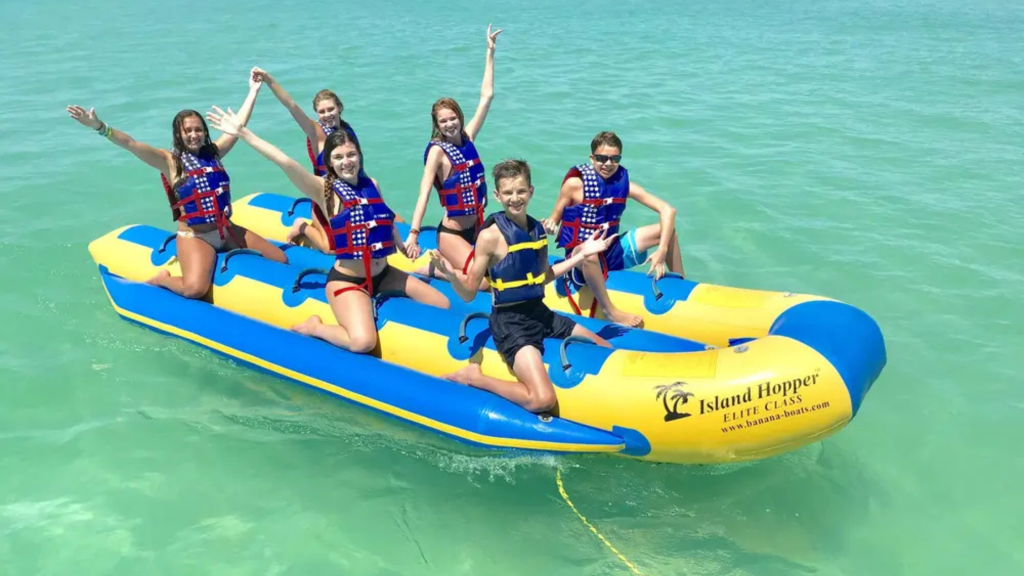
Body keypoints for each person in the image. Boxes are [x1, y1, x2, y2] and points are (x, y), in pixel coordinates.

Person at [205, 106, 450, 354]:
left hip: (384, 274)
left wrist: (401, 245)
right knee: (362, 342)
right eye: (339, 157)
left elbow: (383, 219)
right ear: (329, 162)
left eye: (351, 155)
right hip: (349, 281)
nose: (347, 162)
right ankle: (316, 327)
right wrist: (244, 133)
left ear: (360, 155)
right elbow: (285, 162)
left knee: (442, 303)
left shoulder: (371, 184)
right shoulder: (325, 191)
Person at [66, 69, 288, 300]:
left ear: (205, 132)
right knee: (195, 289)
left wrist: (253, 91)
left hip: (226, 229)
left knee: (280, 259)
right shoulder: (169, 161)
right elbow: (131, 143)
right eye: (188, 131)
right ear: (178, 134)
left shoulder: (214, 153)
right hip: (196, 237)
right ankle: (163, 279)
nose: (194, 135)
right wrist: (99, 127)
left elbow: (238, 125)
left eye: (198, 130)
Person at [429, 159, 613, 414]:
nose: (515, 198)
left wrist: (581, 256)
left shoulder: (537, 229)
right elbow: (470, 291)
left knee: (605, 349)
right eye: (507, 193)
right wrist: (451, 275)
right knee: (542, 400)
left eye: (520, 191)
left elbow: (544, 277)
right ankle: (475, 377)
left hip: (540, 312)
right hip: (511, 322)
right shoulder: (490, 236)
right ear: (497, 195)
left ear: (531, 191)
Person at [250, 68, 405, 251]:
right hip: (329, 199)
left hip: (357, 192)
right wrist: (268, 80)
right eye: (321, 112)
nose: (327, 114)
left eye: (331, 109)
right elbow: (291, 106)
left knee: (399, 221)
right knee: (330, 248)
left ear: (339, 107)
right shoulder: (317, 133)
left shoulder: (346, 131)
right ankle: (303, 226)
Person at [543, 131, 685, 327]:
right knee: (589, 252)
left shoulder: (623, 184)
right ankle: (610, 311)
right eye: (602, 158)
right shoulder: (574, 185)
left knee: (667, 232)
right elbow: (554, 218)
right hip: (581, 256)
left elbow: (668, 210)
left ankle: (682, 286)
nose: (608, 164)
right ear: (592, 158)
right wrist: (550, 225)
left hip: (612, 249)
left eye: (614, 159)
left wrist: (662, 250)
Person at [406, 24, 502, 290]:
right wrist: (413, 234)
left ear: (459, 117)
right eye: (443, 121)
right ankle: (437, 269)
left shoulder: (468, 137)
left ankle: (441, 266)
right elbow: (424, 193)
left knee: (507, 272)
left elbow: (487, 97)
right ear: (437, 124)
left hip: (478, 228)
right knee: (481, 284)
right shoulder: (437, 152)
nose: (450, 124)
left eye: (453, 118)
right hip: (452, 233)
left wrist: (490, 53)